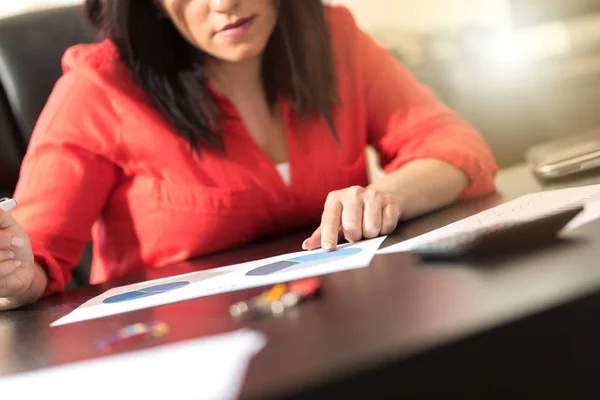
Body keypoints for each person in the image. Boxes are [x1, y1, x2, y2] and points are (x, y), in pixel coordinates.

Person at [0, 0, 497, 311]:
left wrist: (386, 193)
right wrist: (16, 277)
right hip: (175, 346)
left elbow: (454, 146)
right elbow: (35, 252)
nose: (225, 4)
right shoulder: (99, 89)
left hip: (342, 319)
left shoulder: (331, 37)